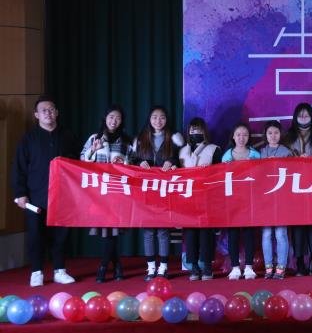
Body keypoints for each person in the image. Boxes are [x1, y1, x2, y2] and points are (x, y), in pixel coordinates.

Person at [13, 95, 80, 287]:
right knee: (36, 235)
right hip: (35, 196)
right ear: (36, 115)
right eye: (43, 110)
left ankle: (60, 270)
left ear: (56, 112)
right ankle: (37, 272)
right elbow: (19, 167)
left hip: (63, 195)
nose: (48, 113)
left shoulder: (68, 136)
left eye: (51, 110)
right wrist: (20, 193)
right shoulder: (28, 139)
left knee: (61, 235)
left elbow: (78, 163)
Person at [129, 105, 185, 281]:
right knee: (148, 231)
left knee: (162, 229)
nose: (158, 121)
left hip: (165, 189)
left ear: (166, 119)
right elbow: (131, 159)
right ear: (149, 119)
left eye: (162, 117)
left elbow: (182, 159)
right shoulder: (140, 138)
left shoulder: (175, 138)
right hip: (146, 189)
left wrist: (172, 162)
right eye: (154, 117)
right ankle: (151, 267)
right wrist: (139, 163)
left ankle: (163, 268)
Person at [80, 104, 131, 283]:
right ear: (105, 119)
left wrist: (123, 163)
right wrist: (93, 150)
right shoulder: (94, 138)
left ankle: (103, 267)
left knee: (112, 230)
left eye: (117, 118)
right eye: (111, 117)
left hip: (117, 192)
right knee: (107, 231)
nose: (114, 121)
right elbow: (82, 160)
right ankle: (116, 266)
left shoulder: (126, 141)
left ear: (121, 121)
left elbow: (133, 164)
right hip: (99, 192)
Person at [178, 117, 222, 281]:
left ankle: (207, 266)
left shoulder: (214, 149)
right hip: (188, 197)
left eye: (198, 129)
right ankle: (194, 267)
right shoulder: (182, 151)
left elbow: (219, 174)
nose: (195, 132)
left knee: (206, 232)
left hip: (207, 197)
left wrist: (209, 172)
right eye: (192, 129)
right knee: (190, 233)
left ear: (204, 131)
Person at [284, 103, 312, 276]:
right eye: (300, 115)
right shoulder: (288, 137)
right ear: (295, 117)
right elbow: (283, 159)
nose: (303, 118)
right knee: (298, 224)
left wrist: (311, 160)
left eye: (306, 115)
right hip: (294, 186)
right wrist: (296, 160)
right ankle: (299, 261)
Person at [221, 122, 260, 280]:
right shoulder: (227, 155)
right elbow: (221, 177)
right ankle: (235, 267)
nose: (241, 138)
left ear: (249, 137)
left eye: (245, 135)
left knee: (249, 234)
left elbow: (261, 176)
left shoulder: (255, 155)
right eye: (238, 135)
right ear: (233, 137)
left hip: (250, 200)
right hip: (232, 201)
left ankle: (249, 267)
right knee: (233, 235)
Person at [260, 120, 294, 279]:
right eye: (270, 133)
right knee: (266, 233)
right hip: (265, 199)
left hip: (281, 199)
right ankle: (268, 267)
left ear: (281, 134)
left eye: (276, 133)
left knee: (281, 233)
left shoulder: (286, 152)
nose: (273, 136)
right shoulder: (261, 152)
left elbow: (293, 174)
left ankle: (281, 267)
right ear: (266, 135)